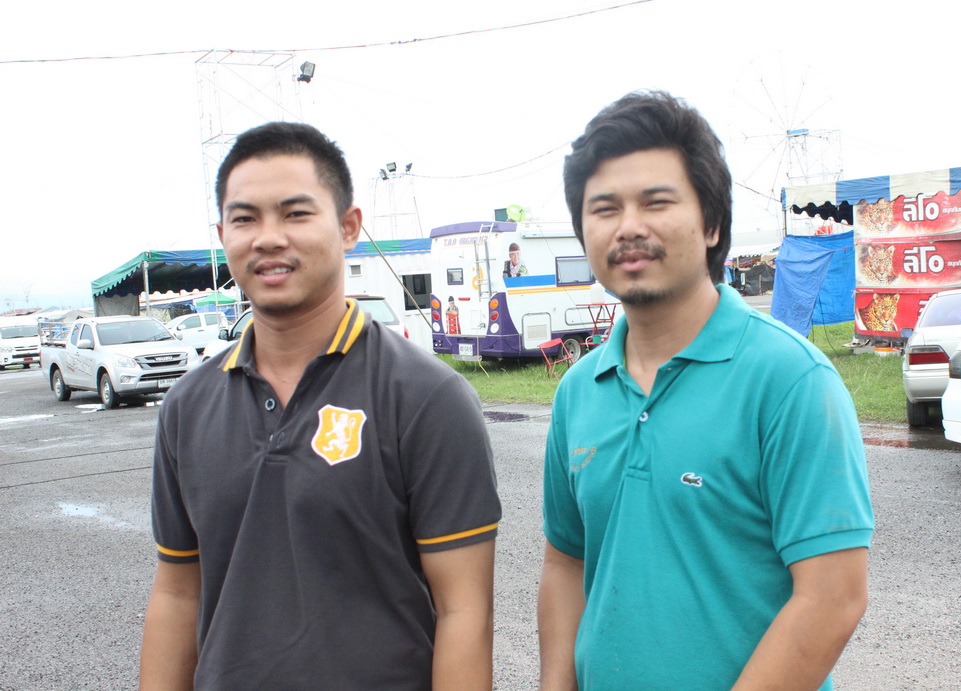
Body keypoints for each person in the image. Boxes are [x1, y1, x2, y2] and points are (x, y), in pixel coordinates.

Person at [139, 122, 501, 690]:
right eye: (245, 219)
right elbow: (177, 593)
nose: (268, 238)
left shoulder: (426, 398)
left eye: (296, 213)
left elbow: (465, 610)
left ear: (349, 226)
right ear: (223, 235)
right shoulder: (186, 407)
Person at [537, 91, 874, 690]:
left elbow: (833, 596)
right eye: (605, 208)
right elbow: (566, 561)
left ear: (712, 223)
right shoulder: (578, 392)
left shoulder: (790, 380)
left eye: (656, 202)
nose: (629, 227)